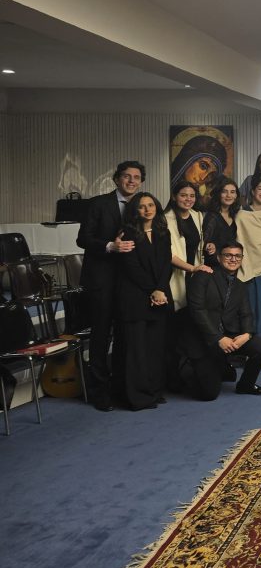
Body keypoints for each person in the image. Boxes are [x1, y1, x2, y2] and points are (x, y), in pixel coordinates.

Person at [76, 160, 145, 411]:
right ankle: (99, 392)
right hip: (101, 280)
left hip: (130, 282)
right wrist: (109, 246)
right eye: (126, 176)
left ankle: (122, 388)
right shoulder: (98, 203)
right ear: (116, 179)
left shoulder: (143, 205)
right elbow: (82, 239)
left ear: (141, 182)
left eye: (136, 177)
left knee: (126, 337)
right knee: (101, 336)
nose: (131, 181)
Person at [186, 241, 261, 399]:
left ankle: (246, 385)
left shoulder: (240, 285)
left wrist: (247, 334)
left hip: (227, 337)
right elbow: (197, 310)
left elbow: (246, 314)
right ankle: (206, 368)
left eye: (237, 256)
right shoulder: (203, 276)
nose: (233, 259)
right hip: (204, 340)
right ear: (219, 258)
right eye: (228, 255)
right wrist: (218, 338)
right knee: (209, 394)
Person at [117, 192, 172, 410]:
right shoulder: (127, 233)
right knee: (137, 350)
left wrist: (161, 289)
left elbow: (166, 263)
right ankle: (138, 397)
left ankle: (154, 391)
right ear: (135, 210)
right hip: (135, 297)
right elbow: (131, 268)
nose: (147, 210)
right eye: (142, 206)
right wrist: (153, 290)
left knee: (155, 347)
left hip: (159, 296)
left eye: (151, 205)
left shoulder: (162, 231)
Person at [164, 181, 211, 391]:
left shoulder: (197, 216)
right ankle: (171, 378)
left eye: (192, 196)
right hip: (174, 278)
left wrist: (209, 248)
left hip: (194, 277)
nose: (188, 199)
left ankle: (191, 371)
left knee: (191, 326)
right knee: (173, 330)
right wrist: (192, 268)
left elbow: (198, 246)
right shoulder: (165, 219)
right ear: (174, 196)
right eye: (184, 195)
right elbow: (168, 254)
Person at [235, 179, 261, 344]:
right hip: (246, 265)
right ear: (252, 191)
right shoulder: (241, 215)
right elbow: (239, 240)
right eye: (260, 188)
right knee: (249, 310)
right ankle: (248, 347)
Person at [202, 178, 239, 267]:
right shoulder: (212, 217)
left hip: (231, 264)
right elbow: (205, 245)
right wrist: (209, 246)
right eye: (224, 192)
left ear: (236, 195)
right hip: (215, 266)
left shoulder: (236, 215)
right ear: (218, 194)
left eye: (232, 192)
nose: (229, 195)